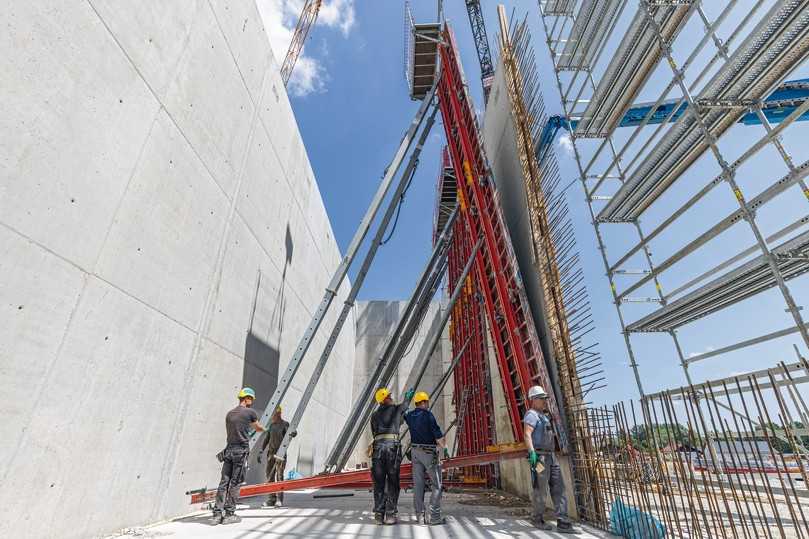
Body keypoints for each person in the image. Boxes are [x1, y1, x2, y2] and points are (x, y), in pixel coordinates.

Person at [523, 385, 577, 534]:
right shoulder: (531, 415)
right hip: (539, 458)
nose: (544, 401)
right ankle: (537, 519)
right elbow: (527, 434)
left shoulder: (544, 416)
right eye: (542, 398)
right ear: (534, 400)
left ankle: (563, 522)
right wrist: (532, 453)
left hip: (551, 457)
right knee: (540, 488)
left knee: (559, 487)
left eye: (545, 398)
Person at [212, 387, 266, 525]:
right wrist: (265, 428)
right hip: (240, 453)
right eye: (251, 400)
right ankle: (229, 514)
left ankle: (217, 515)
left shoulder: (229, 414)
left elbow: (234, 431)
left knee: (224, 482)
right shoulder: (250, 413)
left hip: (228, 451)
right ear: (247, 398)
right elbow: (258, 428)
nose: (251, 402)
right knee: (235, 483)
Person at [370, 387, 415, 525]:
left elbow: (374, 433)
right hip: (392, 449)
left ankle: (379, 514)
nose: (392, 397)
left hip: (378, 449)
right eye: (389, 396)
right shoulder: (396, 409)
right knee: (393, 481)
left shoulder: (374, 415)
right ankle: (390, 515)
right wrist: (408, 397)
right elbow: (405, 406)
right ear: (385, 399)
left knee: (379, 482)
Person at [404, 391, 450, 525]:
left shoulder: (410, 416)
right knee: (437, 485)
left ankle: (420, 516)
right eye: (427, 402)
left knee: (418, 485)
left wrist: (406, 400)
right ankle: (434, 517)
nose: (428, 404)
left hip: (415, 453)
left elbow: (403, 413)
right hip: (428, 453)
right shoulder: (429, 416)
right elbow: (438, 437)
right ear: (424, 402)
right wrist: (445, 448)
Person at [259, 405, 296, 508]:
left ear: (278, 413)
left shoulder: (285, 424)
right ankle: (271, 499)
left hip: (281, 454)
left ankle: (279, 499)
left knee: (279, 476)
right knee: (269, 475)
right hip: (270, 454)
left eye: (274, 414)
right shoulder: (271, 426)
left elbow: (292, 432)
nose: (272, 416)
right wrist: (261, 451)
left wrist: (293, 433)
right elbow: (267, 439)